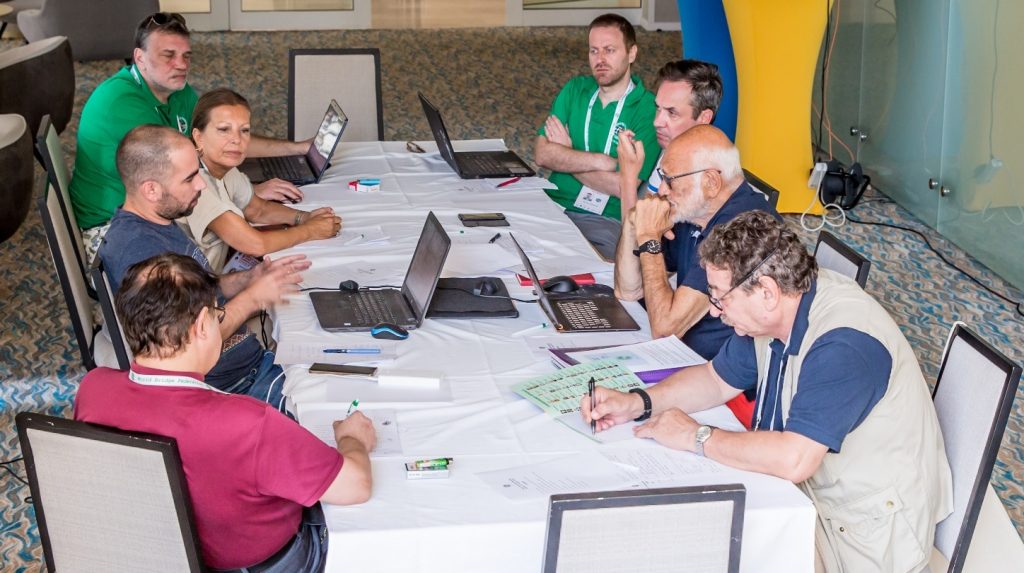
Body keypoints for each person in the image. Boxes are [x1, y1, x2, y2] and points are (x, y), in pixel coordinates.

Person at [587, 211, 953, 572]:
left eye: (720, 297)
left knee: (702, 547)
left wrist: (696, 436)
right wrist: (637, 403)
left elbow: (794, 459)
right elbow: (715, 379)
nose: (715, 312)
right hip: (811, 498)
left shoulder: (844, 345)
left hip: (861, 535)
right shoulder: (775, 312)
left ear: (766, 291)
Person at [75, 253, 376, 571]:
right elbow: (355, 485)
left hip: (159, 555)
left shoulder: (93, 389)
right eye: (217, 315)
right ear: (201, 326)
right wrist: (352, 440)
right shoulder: (246, 423)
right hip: (269, 563)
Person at [98, 124, 308, 410]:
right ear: (151, 189)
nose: (201, 185)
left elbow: (199, 289)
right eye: (190, 178)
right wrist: (254, 298)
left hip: (249, 366)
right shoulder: (141, 253)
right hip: (234, 386)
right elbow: (186, 342)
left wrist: (248, 279)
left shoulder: (158, 220)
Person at [71, 12, 308, 263]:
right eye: (168, 55)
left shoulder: (176, 90)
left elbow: (214, 141)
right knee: (235, 241)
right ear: (139, 58)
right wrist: (243, 195)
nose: (181, 65)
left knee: (245, 237)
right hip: (113, 228)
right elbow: (177, 174)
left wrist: (298, 148)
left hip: (157, 205)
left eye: (186, 56)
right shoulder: (121, 103)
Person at [614, 125, 779, 360]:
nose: (662, 190)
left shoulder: (744, 230)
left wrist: (649, 236)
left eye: (670, 180)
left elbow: (665, 330)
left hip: (717, 371)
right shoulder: (696, 210)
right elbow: (628, 290)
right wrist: (634, 223)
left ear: (710, 182)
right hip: (686, 356)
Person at [534, 13, 658, 260]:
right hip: (552, 206)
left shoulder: (649, 109)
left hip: (602, 220)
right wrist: (604, 162)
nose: (600, 59)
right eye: (594, 51)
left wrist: (567, 156)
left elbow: (622, 185)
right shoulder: (575, 89)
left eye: (609, 50)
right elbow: (542, 154)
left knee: (575, 268)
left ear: (631, 53)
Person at [183, 88, 342, 271]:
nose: (237, 139)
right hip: (198, 286)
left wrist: (304, 217)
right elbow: (254, 244)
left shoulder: (222, 167)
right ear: (198, 137)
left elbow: (257, 209)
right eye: (224, 130)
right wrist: (311, 230)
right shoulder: (195, 182)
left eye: (244, 130)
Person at [615, 59, 722, 215]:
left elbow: (636, 230)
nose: (657, 122)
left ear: (704, 118)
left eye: (672, 113)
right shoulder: (675, 150)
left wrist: (628, 178)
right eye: (658, 108)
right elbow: (645, 217)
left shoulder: (700, 178)